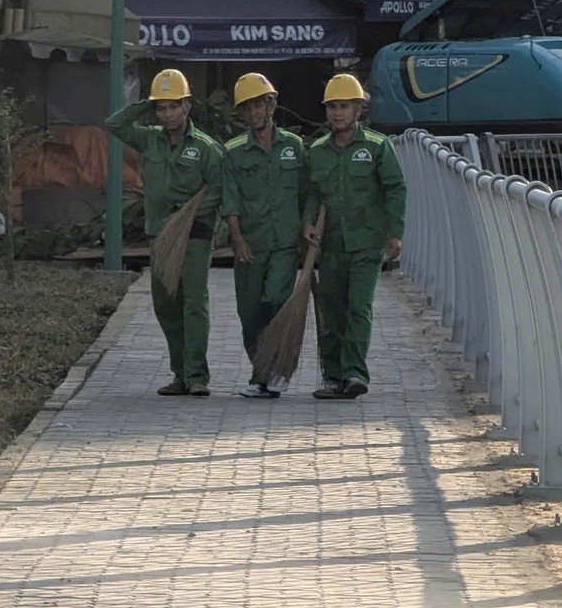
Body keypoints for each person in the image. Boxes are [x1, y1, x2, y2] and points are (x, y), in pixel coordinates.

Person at [107, 69, 227, 397]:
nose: (168, 114)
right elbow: (114, 125)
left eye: (174, 106)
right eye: (162, 108)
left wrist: (191, 216)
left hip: (195, 235)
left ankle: (197, 375)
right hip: (160, 236)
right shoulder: (149, 139)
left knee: (194, 303)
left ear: (187, 106)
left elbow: (219, 189)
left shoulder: (206, 148)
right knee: (166, 305)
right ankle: (180, 374)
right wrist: (146, 103)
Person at [301, 75, 405, 400]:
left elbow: (395, 189)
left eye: (344, 106)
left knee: (359, 308)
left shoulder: (377, 146)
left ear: (358, 109)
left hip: (366, 244)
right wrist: (307, 223)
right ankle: (333, 377)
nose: (337, 113)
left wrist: (395, 234)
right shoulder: (317, 151)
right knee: (332, 312)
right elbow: (312, 194)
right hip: (330, 247)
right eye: (332, 107)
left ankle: (355, 374)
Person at [219, 73, 307, 399]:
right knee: (250, 311)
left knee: (274, 300)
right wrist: (237, 238)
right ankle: (261, 375)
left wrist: (307, 229)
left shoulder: (294, 147)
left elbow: (305, 192)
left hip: (285, 244)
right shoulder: (233, 152)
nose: (254, 112)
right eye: (247, 108)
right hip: (250, 245)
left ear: (271, 104)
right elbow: (230, 198)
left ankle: (275, 367)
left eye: (259, 104)